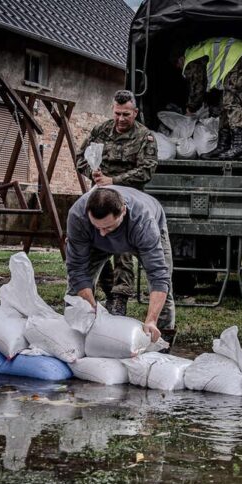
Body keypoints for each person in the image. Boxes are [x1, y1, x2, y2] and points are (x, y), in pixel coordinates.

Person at [76, 90, 157, 317]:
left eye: (126, 115)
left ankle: (121, 297)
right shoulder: (100, 130)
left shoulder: (145, 136)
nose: (121, 119)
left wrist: (115, 180)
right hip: (100, 194)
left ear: (135, 113)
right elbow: (80, 157)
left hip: (129, 198)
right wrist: (93, 173)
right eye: (117, 114)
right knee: (95, 241)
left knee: (122, 249)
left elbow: (147, 169)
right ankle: (108, 289)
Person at [66, 186, 175, 341]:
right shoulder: (77, 216)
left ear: (123, 211)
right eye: (97, 227)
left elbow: (158, 276)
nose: (103, 233)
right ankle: (75, 339)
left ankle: (162, 339)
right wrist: (91, 308)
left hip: (140, 233)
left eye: (108, 226)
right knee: (74, 293)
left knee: (165, 287)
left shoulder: (143, 222)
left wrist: (151, 320)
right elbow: (77, 269)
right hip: (93, 244)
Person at [174, 37, 242, 161]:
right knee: (224, 104)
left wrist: (191, 108)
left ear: (181, 59)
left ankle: (239, 147)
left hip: (237, 58)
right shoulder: (197, 51)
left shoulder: (191, 58)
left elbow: (197, 86)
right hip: (239, 57)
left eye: (179, 66)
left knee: (232, 102)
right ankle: (222, 146)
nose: (182, 69)